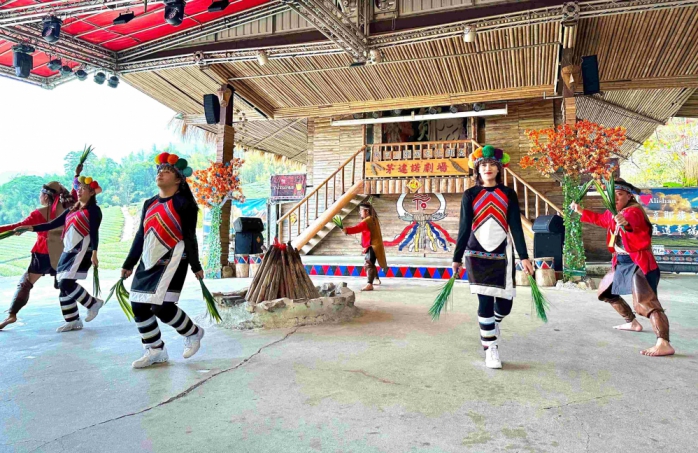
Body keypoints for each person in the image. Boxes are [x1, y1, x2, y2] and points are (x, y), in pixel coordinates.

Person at [570, 178, 674, 357]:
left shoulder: (633, 212)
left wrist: (626, 225)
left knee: (646, 303)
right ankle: (632, 322)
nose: (615, 198)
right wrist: (580, 210)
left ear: (629, 196)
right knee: (606, 292)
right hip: (621, 262)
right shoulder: (614, 212)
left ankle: (664, 343)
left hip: (638, 263)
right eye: (612, 195)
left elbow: (637, 229)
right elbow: (602, 220)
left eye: (619, 194)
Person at [452, 145, 534, 369]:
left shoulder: (508, 193)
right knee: (485, 302)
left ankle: (493, 324)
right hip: (476, 254)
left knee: (505, 305)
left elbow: (515, 226)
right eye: (483, 165)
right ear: (477, 169)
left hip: (503, 254)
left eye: (491, 165)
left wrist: (524, 256)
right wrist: (457, 258)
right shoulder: (470, 194)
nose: (487, 168)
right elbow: (464, 228)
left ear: (499, 168)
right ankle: (491, 348)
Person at [121, 153, 205, 369]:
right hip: (148, 258)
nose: (161, 174)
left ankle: (193, 332)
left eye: (166, 172)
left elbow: (190, 236)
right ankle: (155, 349)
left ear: (178, 179)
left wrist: (195, 265)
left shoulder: (184, 203)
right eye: (159, 171)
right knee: (138, 304)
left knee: (162, 307)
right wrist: (129, 263)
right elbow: (141, 235)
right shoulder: (149, 203)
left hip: (173, 258)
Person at [15, 175, 103, 333]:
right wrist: (29, 228)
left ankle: (93, 303)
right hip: (68, 251)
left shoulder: (94, 211)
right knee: (63, 285)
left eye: (83, 189)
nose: (79, 191)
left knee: (65, 284)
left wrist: (94, 253)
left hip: (82, 251)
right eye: (79, 188)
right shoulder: (72, 209)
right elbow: (52, 224)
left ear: (91, 193)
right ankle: (72, 320)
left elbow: (94, 233)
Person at [0, 182, 75, 330]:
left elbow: (16, 227)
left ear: (46, 196)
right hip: (63, 253)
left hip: (43, 254)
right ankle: (74, 318)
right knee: (65, 286)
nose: (39, 197)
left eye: (40, 194)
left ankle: (12, 314)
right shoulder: (68, 208)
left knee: (25, 283)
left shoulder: (39, 213)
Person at [343, 202, 388, 291]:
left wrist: (346, 230)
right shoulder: (373, 218)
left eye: (361, 210)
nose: (360, 212)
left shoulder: (367, 221)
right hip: (376, 245)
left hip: (373, 246)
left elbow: (357, 228)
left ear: (367, 211)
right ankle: (376, 279)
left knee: (368, 264)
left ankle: (369, 284)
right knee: (371, 263)